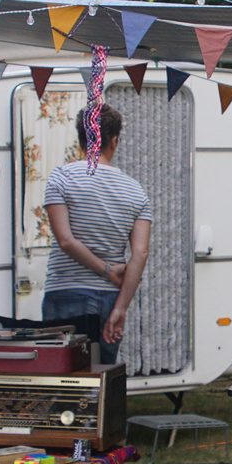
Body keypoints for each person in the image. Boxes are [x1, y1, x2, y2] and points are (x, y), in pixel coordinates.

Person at [42, 103, 151, 368]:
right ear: (114, 141)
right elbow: (140, 253)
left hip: (65, 294)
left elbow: (66, 241)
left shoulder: (61, 178)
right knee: (100, 382)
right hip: (109, 299)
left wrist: (105, 271)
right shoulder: (136, 192)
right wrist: (121, 308)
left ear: (80, 139)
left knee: (61, 380)